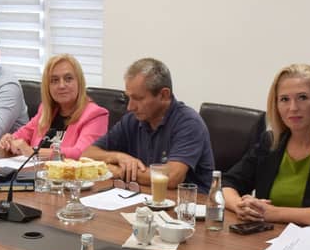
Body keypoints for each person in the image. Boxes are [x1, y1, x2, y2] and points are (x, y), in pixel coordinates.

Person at [222, 64, 310, 226]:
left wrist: (273, 213)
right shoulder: (270, 142)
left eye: (302, 97)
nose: (293, 108)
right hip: (265, 235)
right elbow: (227, 183)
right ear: (276, 105)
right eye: (284, 99)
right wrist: (240, 206)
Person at [83, 57, 214, 191]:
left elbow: (171, 178)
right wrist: (117, 157)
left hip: (188, 201)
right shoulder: (132, 120)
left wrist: (118, 171)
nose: (130, 107)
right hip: (142, 196)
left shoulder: (189, 122)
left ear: (164, 95)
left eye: (138, 98)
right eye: (129, 97)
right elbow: (87, 154)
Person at [0, 53, 108, 159]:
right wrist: (9, 140)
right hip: (36, 170)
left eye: (68, 78)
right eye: (55, 80)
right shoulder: (46, 110)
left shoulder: (95, 115)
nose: (61, 85)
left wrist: (34, 152)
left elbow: (83, 153)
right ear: (48, 86)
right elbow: (21, 135)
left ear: (79, 82)